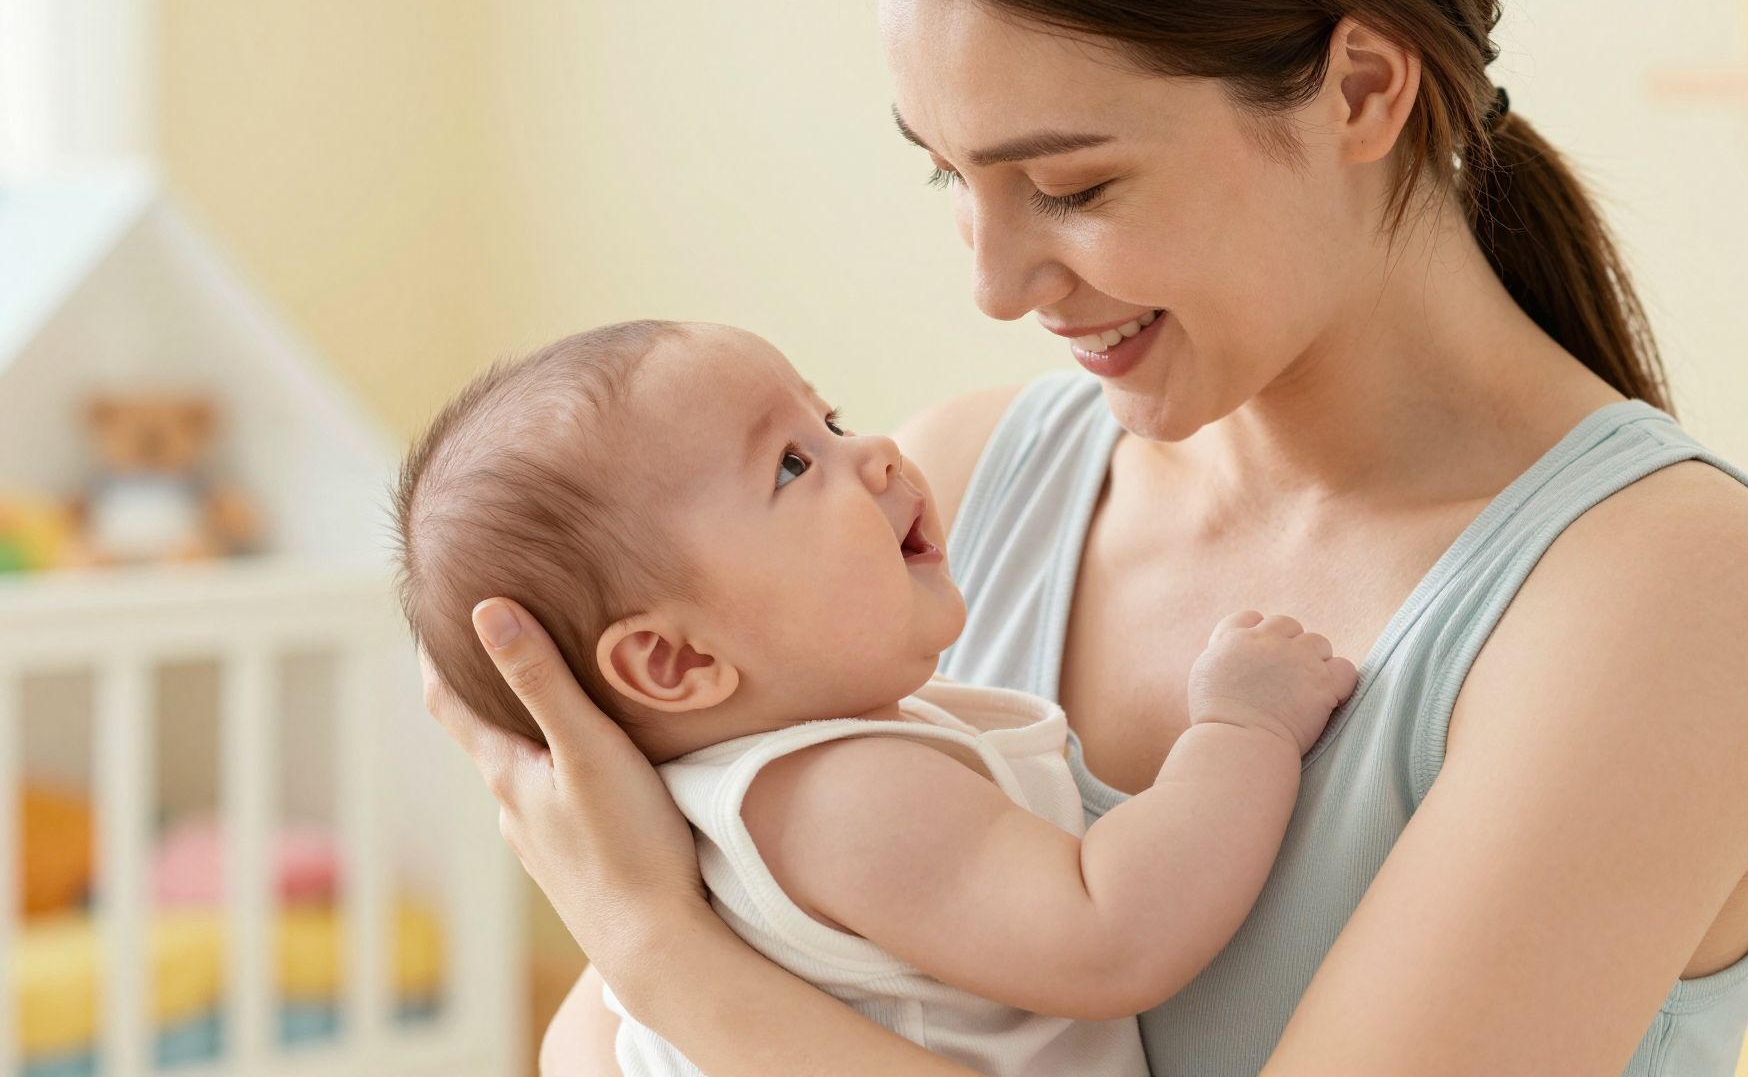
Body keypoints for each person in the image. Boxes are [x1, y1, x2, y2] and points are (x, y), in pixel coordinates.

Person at [425, 0, 1748, 1074]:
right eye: (947, 174)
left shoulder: (1661, 593)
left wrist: (648, 940)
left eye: (1072, 184)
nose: (992, 283)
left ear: (1359, 90)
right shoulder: (961, 491)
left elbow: (659, 994)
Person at [393, 320, 1355, 1075]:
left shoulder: (702, 823)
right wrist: (1242, 728)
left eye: (834, 422)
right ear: (677, 665)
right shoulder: (840, 797)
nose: (881, 454)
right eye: (791, 466)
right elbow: (1112, 934)